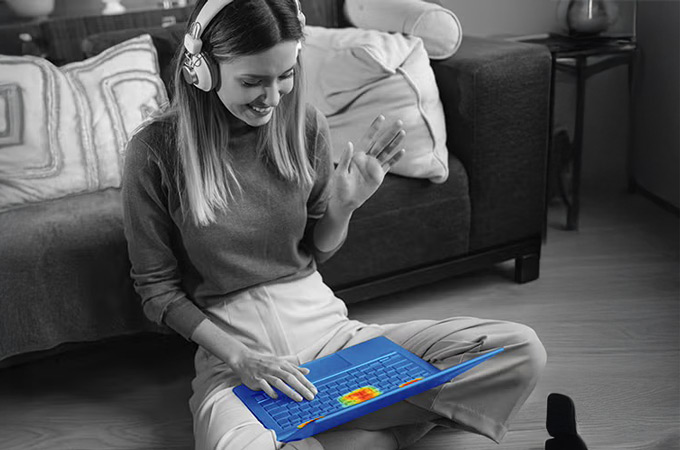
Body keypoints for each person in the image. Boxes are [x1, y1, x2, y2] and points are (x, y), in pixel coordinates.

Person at [122, 0, 548, 449]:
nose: (272, 98)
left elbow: (317, 250)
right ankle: (377, 426)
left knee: (518, 351)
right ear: (201, 71)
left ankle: (341, 426)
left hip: (333, 337)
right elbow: (157, 292)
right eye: (253, 81)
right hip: (238, 365)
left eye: (285, 75)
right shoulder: (154, 152)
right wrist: (242, 358)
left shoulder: (304, 126)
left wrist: (344, 206)